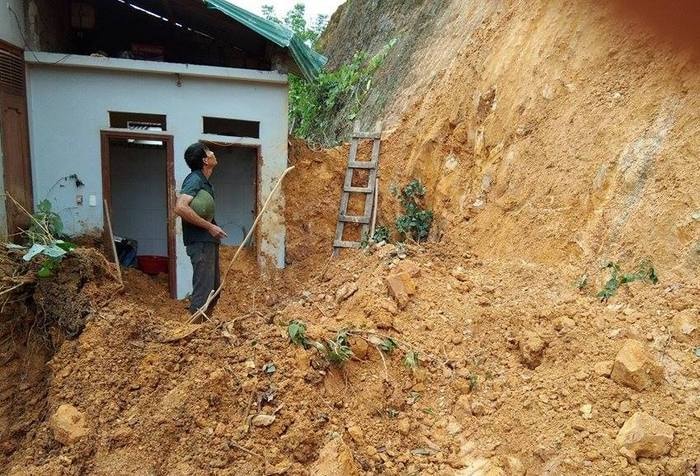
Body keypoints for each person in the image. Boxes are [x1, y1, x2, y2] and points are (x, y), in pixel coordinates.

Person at [174, 143, 227, 315]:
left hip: (207, 242)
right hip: (200, 243)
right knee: (204, 291)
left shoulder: (203, 181)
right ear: (205, 160)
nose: (213, 153)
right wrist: (210, 226)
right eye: (209, 151)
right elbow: (180, 207)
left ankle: (205, 330)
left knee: (213, 290)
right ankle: (194, 330)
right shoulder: (195, 178)